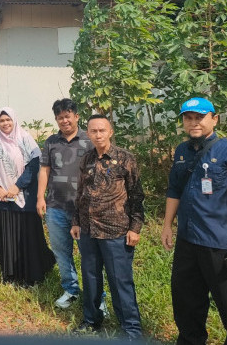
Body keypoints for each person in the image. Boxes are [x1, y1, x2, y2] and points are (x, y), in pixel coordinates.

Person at [161, 97, 227, 345]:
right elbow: (174, 190)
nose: (194, 122)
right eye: (188, 118)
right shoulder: (181, 152)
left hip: (222, 245)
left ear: (214, 119)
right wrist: (167, 225)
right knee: (186, 306)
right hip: (187, 242)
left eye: (200, 117)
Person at [71, 114, 144, 339]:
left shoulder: (125, 158)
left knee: (120, 281)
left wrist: (135, 227)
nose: (98, 135)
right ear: (88, 134)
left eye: (102, 130)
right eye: (93, 131)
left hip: (116, 231)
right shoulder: (86, 159)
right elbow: (80, 193)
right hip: (89, 230)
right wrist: (76, 221)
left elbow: (136, 195)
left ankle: (131, 329)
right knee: (91, 278)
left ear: (110, 132)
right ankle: (91, 320)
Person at [37, 99, 105, 312]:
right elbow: (44, 170)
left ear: (76, 116)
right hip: (56, 207)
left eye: (67, 116)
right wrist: (40, 198)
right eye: (60, 117)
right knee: (61, 251)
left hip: (84, 209)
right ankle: (71, 289)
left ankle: (98, 298)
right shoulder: (51, 142)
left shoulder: (89, 140)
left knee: (90, 255)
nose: (64, 120)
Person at [0, 107, 55, 286]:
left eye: (8, 120)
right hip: (2, 199)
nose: (5, 123)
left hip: (24, 196)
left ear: (14, 120)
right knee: (6, 237)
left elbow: (33, 166)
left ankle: (32, 276)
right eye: (2, 121)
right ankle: (11, 275)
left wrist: (17, 186)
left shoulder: (25, 139)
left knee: (27, 236)